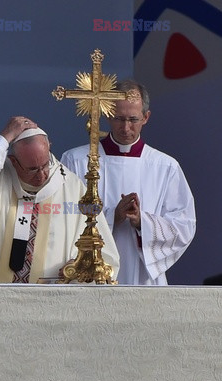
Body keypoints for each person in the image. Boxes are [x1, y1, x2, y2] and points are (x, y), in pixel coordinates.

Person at [0, 116, 119, 283]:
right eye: (32, 169)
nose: (42, 175)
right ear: (13, 161)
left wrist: (79, 262)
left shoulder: (71, 187)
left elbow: (97, 245)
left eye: (45, 165)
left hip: (50, 300)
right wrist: (5, 137)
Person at [61, 80, 196, 285]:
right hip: (88, 274)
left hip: (142, 274)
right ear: (107, 114)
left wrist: (143, 222)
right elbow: (61, 215)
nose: (126, 128)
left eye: (133, 119)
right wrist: (112, 217)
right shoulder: (76, 160)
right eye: (119, 119)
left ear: (146, 117)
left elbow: (184, 225)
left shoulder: (165, 166)